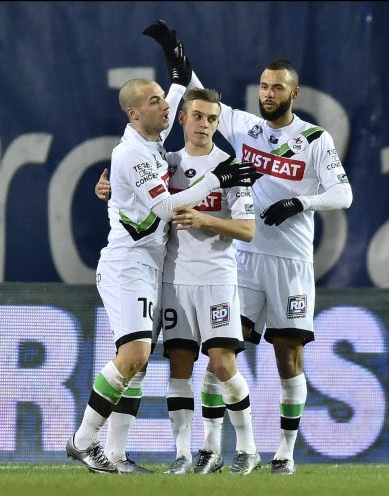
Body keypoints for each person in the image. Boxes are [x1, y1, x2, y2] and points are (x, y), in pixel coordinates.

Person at [143, 20, 353, 475]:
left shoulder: (315, 140)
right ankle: (213, 447)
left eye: (277, 88)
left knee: (288, 358)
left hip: (292, 262)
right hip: (244, 261)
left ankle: (285, 453)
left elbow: (343, 194)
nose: (268, 94)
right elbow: (200, 98)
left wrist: (301, 201)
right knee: (221, 355)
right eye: (263, 86)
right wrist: (175, 57)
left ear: (293, 95)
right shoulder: (246, 127)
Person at [67, 49, 259, 474]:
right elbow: (169, 206)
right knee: (136, 355)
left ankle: (115, 455)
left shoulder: (156, 148)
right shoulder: (135, 154)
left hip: (166, 269)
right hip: (130, 264)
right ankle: (85, 441)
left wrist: (179, 67)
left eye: (165, 99)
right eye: (155, 102)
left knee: (141, 363)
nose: (167, 107)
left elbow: (180, 100)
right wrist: (215, 181)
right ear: (134, 113)